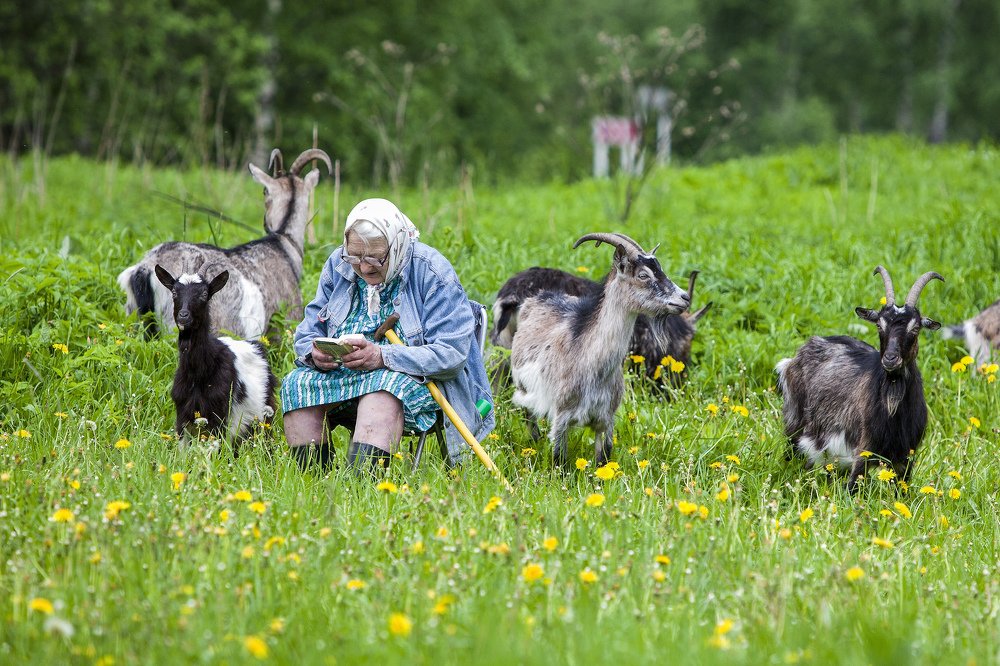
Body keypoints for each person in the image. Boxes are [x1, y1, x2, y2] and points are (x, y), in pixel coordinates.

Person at [281, 198, 495, 474]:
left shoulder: (431, 271)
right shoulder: (340, 263)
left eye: (375, 258)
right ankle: (315, 488)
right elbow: (309, 330)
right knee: (296, 385)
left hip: (414, 378)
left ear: (396, 245)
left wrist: (383, 356)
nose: (364, 267)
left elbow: (451, 354)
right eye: (355, 257)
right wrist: (314, 353)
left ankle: (361, 492)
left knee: (381, 391)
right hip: (346, 372)